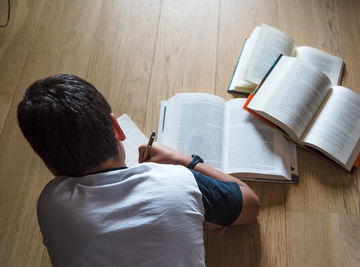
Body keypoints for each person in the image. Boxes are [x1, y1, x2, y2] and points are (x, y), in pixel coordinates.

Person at [17, 74, 260, 267]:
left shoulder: (50, 204)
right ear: (117, 128)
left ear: (50, 166)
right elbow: (249, 203)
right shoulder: (178, 182)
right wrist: (182, 160)